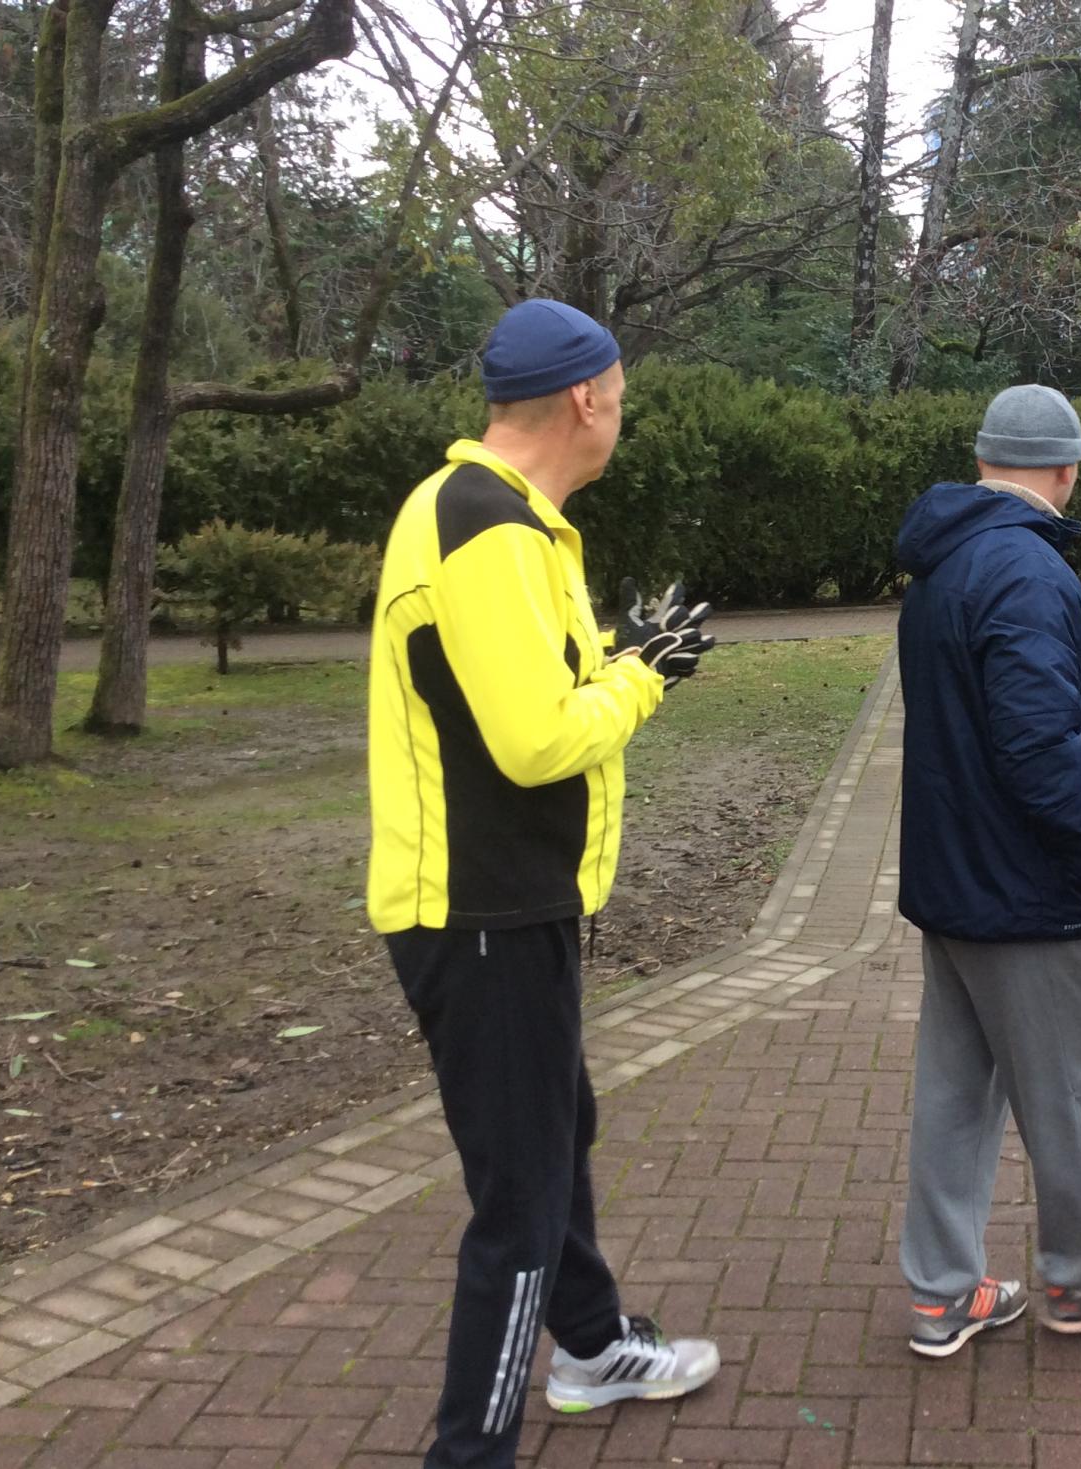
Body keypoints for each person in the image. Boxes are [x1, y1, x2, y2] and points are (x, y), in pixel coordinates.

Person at [367, 298, 720, 1468]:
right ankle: (469, 1450)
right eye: (619, 396)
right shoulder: (489, 526)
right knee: (518, 1205)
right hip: (480, 910)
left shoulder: (494, 514)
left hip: (511, 901)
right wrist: (646, 675)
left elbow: (515, 698)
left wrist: (616, 657)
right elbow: (535, 740)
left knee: (559, 1132)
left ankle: (592, 1345)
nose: (621, 414)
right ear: (584, 398)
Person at [892, 383, 1081, 1359]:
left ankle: (942, 1291)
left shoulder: (943, 561)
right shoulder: (1025, 570)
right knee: (1079, 1094)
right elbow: (1035, 746)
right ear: (1066, 469)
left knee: (955, 1095)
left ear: (983, 458)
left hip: (954, 881)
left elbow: (995, 732)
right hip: (1020, 891)